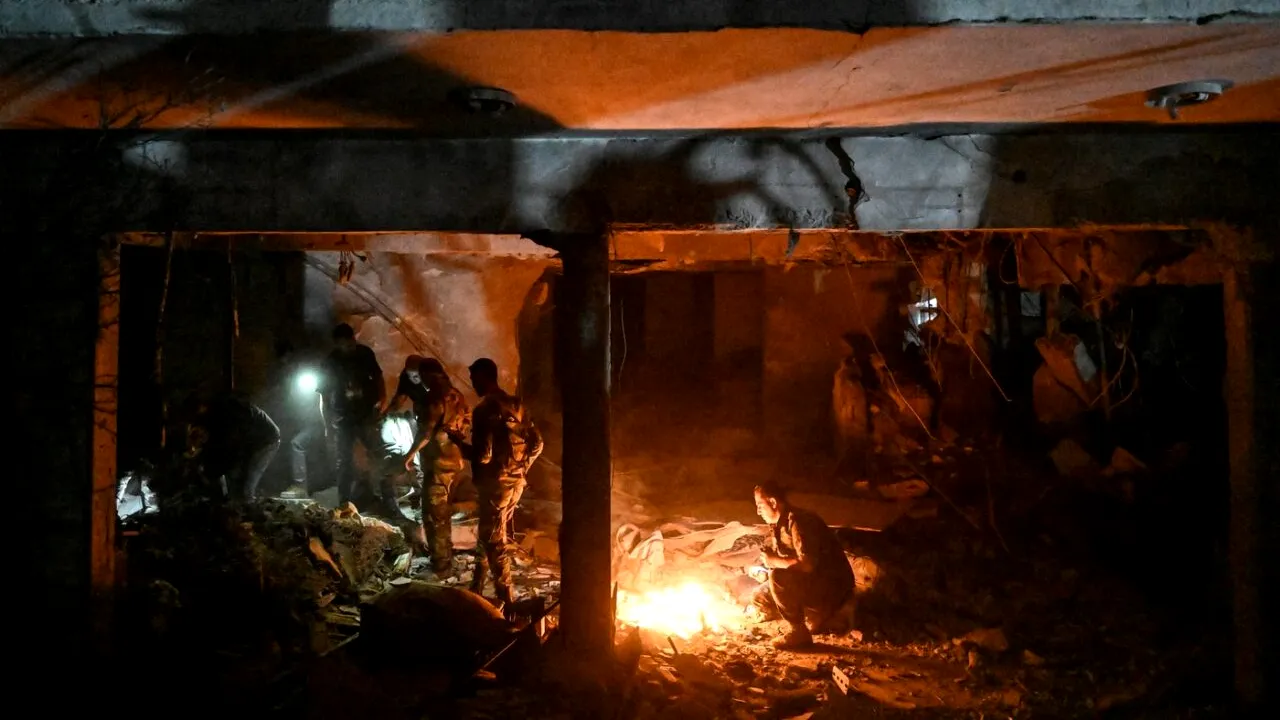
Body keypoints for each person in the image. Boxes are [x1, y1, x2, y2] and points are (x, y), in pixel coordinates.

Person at [448, 358, 543, 612]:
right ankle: (476, 588)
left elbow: (483, 456)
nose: (472, 384)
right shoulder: (516, 404)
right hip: (515, 484)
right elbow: (537, 443)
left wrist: (458, 444)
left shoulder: (484, 410)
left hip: (495, 487)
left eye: (474, 379)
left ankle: (507, 601)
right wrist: (522, 468)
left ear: (484, 377)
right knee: (488, 533)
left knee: (494, 542)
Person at [390, 356, 471, 575]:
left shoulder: (434, 399)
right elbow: (466, 422)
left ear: (429, 375)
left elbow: (426, 432)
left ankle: (441, 565)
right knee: (443, 513)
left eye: (422, 376)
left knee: (434, 516)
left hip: (438, 463)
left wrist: (409, 455)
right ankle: (446, 556)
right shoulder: (457, 395)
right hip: (455, 461)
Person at [751, 481, 854, 649]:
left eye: (760, 505)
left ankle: (799, 631)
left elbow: (807, 565)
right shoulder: (778, 524)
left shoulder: (799, 521)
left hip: (832, 587)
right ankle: (814, 617)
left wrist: (774, 561)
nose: (758, 511)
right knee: (760, 596)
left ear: (773, 502)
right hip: (813, 581)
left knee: (778, 577)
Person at [318, 323, 399, 518]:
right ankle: (344, 504)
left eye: (351, 343)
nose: (349, 347)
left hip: (367, 415)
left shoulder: (364, 353)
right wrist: (327, 425)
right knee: (344, 462)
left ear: (354, 339)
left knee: (381, 456)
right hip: (343, 418)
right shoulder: (331, 362)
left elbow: (378, 376)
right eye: (344, 345)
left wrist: (382, 399)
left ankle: (390, 503)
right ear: (337, 344)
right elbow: (323, 396)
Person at [184, 393, 281, 503]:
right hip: (249, 440)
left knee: (247, 483)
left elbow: (230, 451)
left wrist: (210, 473)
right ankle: (237, 504)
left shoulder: (226, 416)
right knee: (236, 478)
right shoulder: (210, 417)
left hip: (266, 439)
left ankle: (248, 506)